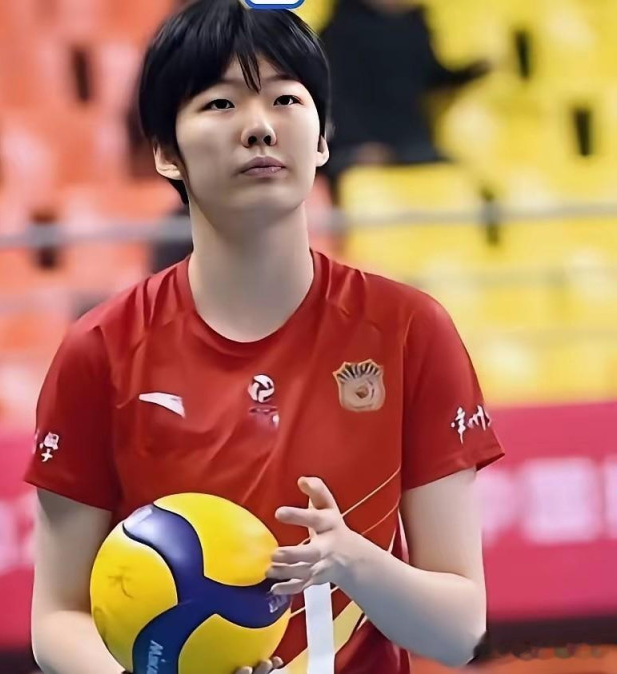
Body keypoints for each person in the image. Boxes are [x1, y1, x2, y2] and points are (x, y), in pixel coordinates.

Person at [25, 2, 504, 673]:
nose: (259, 126)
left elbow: (457, 632)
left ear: (322, 138)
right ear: (166, 152)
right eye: (220, 104)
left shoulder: (409, 331)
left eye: (285, 99)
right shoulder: (100, 351)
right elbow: (57, 618)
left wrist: (351, 560)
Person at [320, 0, 490, 190]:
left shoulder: (414, 25)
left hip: (410, 141)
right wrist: (358, 144)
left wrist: (469, 74)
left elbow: (428, 76)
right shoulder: (338, 32)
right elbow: (333, 98)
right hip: (355, 147)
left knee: (458, 176)